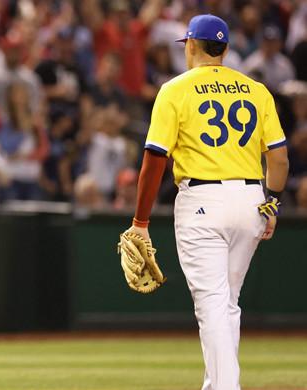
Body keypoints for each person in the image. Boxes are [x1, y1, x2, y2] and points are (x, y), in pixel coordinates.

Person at [125, 14, 289, 390]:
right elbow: (279, 159)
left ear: (192, 46)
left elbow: (155, 159)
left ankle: (227, 386)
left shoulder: (175, 89)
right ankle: (216, 384)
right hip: (251, 200)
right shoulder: (256, 89)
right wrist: (272, 204)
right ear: (226, 49)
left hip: (202, 201)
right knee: (227, 303)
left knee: (213, 305)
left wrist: (140, 221)